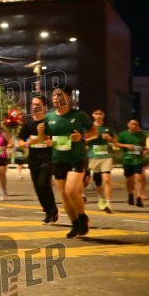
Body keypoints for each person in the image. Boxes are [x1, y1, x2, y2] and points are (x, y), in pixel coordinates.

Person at [35, 86, 95, 238]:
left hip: (77, 158)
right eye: (54, 96)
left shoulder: (79, 115)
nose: (55, 98)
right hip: (58, 160)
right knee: (65, 195)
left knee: (71, 190)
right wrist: (41, 133)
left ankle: (82, 217)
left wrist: (81, 137)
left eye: (59, 95)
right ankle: (75, 223)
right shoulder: (49, 117)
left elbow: (93, 131)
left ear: (68, 98)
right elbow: (43, 141)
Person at [18, 95, 58, 224]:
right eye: (33, 104)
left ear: (44, 107)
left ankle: (53, 211)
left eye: (37, 104)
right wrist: (28, 142)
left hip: (47, 159)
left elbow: (57, 139)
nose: (34, 107)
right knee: (38, 188)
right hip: (33, 160)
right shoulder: (28, 125)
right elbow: (20, 142)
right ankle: (47, 212)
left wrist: (51, 142)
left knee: (43, 184)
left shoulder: (49, 123)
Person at [86, 107, 116, 213]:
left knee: (107, 180)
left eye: (100, 113)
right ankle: (100, 197)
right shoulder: (89, 128)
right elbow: (82, 140)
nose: (98, 115)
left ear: (103, 115)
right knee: (98, 181)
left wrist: (110, 139)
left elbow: (115, 142)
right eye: (96, 113)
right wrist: (92, 138)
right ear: (92, 115)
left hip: (106, 157)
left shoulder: (108, 128)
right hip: (93, 157)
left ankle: (108, 203)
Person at [115, 118, 147, 208]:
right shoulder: (123, 134)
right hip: (127, 160)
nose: (134, 126)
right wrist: (126, 146)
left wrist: (145, 151)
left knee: (138, 178)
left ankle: (139, 198)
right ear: (128, 124)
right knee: (129, 180)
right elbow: (116, 144)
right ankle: (130, 194)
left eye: (136, 124)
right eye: (132, 124)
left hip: (138, 160)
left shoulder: (142, 135)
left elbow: (143, 147)